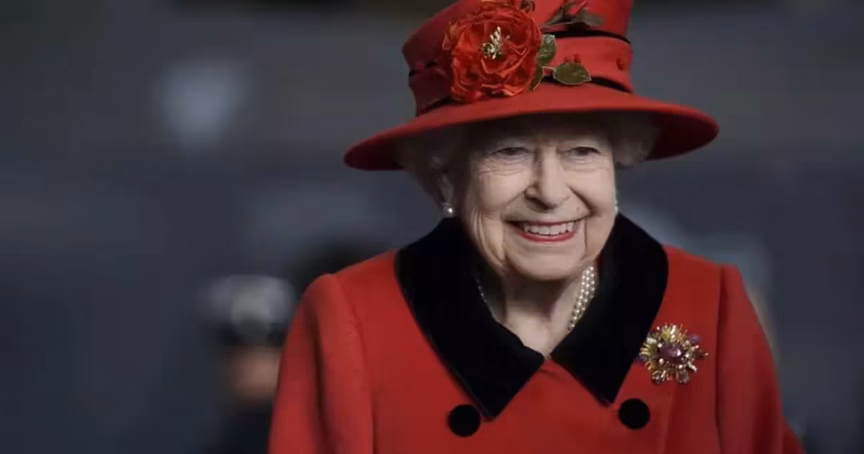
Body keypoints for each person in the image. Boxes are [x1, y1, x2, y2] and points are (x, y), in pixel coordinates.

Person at [269, 0, 803, 453]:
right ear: (446, 178)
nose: (550, 192)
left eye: (581, 151)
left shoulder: (709, 305)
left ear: (618, 164)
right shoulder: (354, 319)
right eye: (510, 152)